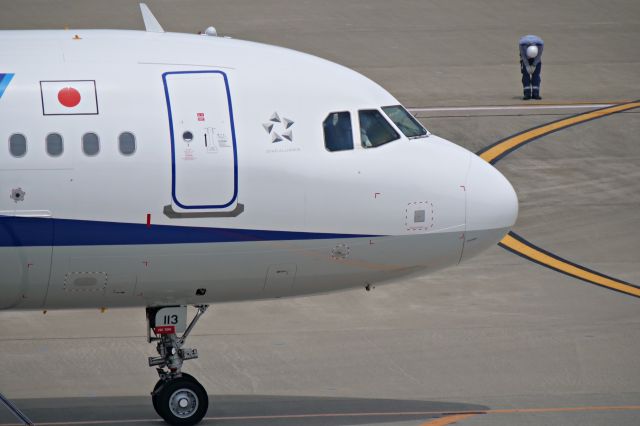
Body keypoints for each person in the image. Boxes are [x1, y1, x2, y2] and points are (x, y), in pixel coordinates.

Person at [519, 35, 544, 100]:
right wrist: (527, 66)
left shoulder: (540, 45)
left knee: (536, 76)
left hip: (536, 59)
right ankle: (527, 94)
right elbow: (523, 56)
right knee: (525, 76)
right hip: (525, 59)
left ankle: (536, 94)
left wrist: (534, 65)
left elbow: (539, 56)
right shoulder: (522, 45)